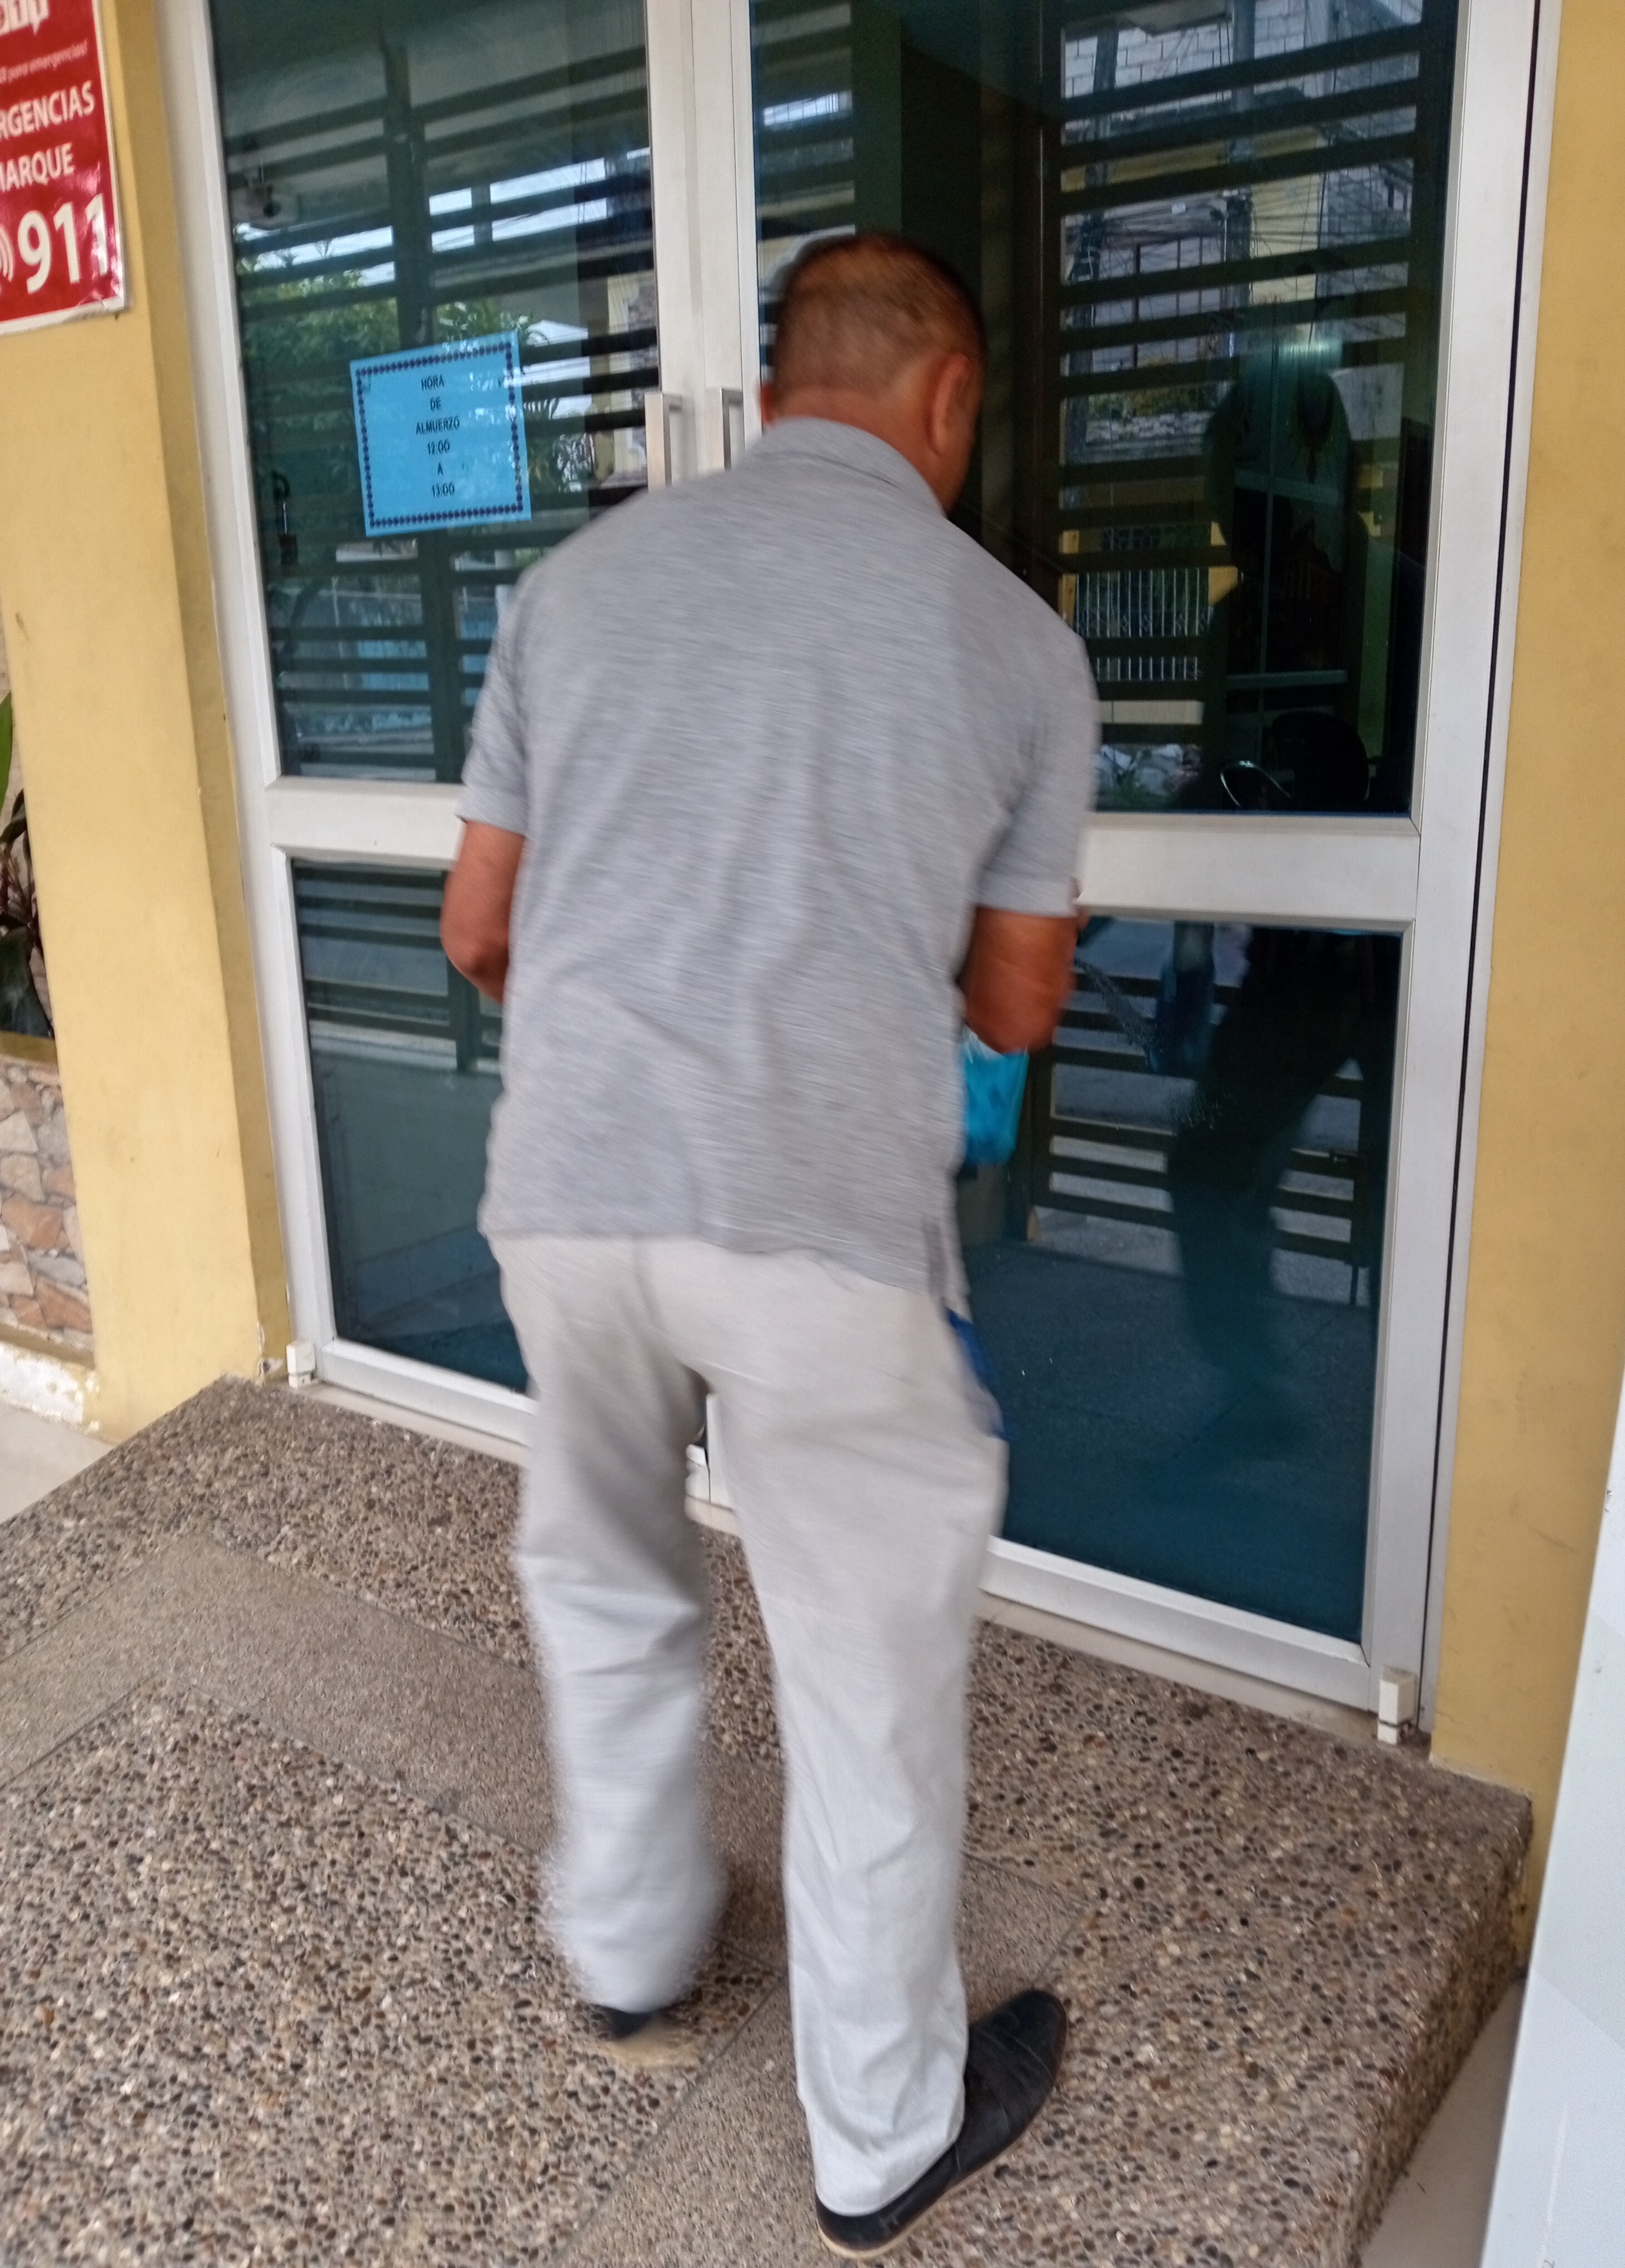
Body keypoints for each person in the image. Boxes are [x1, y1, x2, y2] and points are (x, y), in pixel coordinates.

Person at [441, 232, 1098, 2257]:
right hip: (816, 1219)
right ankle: (880, 2140)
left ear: (778, 382)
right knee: (865, 1666)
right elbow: (1017, 1004)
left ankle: (632, 1949)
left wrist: (628, 1031)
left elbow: (479, 928)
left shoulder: (572, 589)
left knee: (606, 1569)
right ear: (948, 398)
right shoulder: (1016, 645)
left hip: (567, 1192)